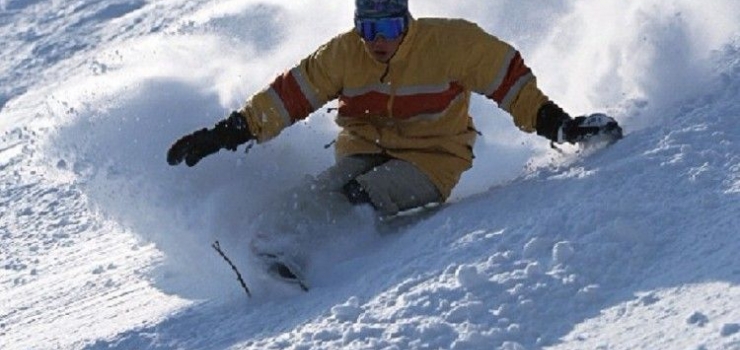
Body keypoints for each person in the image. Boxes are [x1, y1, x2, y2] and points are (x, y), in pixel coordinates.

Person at [167, 0, 622, 283]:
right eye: (368, 29)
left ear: (405, 21)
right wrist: (223, 133)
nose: (376, 42)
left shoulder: (452, 43)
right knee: (319, 190)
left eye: (385, 29)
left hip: (433, 159)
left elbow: (513, 86)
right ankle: (277, 252)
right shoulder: (343, 54)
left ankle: (314, 250)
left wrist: (562, 126)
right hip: (363, 148)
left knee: (361, 193)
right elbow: (287, 98)